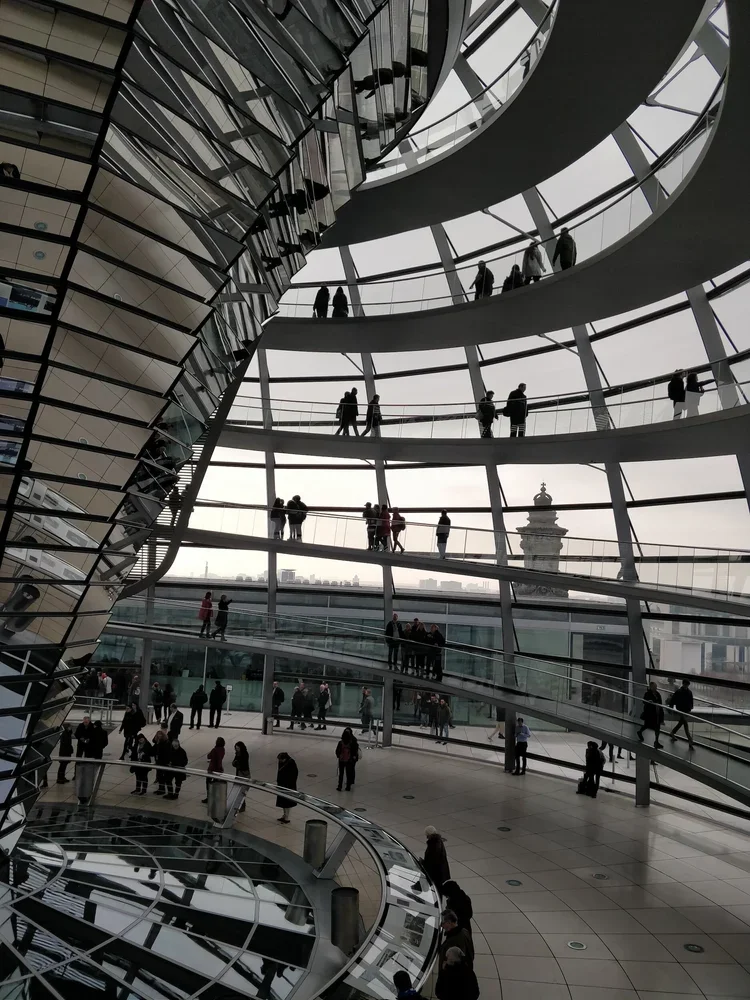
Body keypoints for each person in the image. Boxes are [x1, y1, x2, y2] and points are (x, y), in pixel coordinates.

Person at [423, 826, 451, 895]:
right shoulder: (437, 841)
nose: (426, 837)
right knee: (438, 889)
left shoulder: (434, 843)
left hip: (437, 873)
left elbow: (432, 859)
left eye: (427, 835)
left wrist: (424, 863)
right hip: (440, 872)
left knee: (437, 890)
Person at [668, 678, 695, 749]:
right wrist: (690, 707)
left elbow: (673, 699)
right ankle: (690, 740)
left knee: (681, 723)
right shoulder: (686, 692)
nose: (686, 686)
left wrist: (690, 707)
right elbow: (674, 699)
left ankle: (672, 732)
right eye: (686, 684)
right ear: (683, 684)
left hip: (684, 709)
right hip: (681, 710)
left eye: (687, 685)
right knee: (685, 723)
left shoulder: (681, 691)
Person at [637, 680, 664, 749]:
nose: (656, 688)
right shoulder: (647, 694)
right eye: (654, 687)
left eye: (656, 687)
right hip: (650, 713)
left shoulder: (657, 694)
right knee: (647, 725)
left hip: (657, 713)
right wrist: (648, 701)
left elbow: (660, 704)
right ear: (651, 687)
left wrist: (661, 715)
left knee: (657, 727)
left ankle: (656, 741)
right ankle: (640, 732)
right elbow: (644, 701)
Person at [201, 736, 225, 803]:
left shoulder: (215, 750)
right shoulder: (223, 750)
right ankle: (214, 797)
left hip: (212, 769)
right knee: (215, 783)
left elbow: (209, 756)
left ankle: (209, 797)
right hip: (219, 769)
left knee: (208, 783)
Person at [276, 751, 298, 823]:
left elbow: (294, 774)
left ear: (285, 758)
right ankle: (284, 815)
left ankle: (287, 817)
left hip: (288, 785)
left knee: (287, 802)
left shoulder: (291, 763)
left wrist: (289, 784)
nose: (280, 761)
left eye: (281, 759)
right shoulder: (282, 762)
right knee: (283, 801)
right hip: (282, 784)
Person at [233, 741, 250, 812]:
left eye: (238, 748)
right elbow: (234, 762)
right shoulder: (237, 753)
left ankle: (242, 806)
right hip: (239, 773)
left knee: (242, 790)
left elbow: (243, 764)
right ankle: (239, 805)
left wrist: (237, 763)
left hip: (244, 774)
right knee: (238, 790)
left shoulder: (245, 754)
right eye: (236, 748)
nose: (237, 749)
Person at [152, 730, 171, 795]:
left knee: (162, 776)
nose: (159, 736)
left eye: (160, 734)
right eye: (158, 734)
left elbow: (167, 753)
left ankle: (162, 790)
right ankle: (160, 789)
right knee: (159, 775)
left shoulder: (166, 743)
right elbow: (153, 750)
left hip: (163, 762)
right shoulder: (157, 742)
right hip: (158, 761)